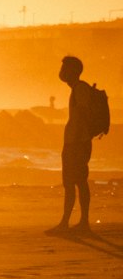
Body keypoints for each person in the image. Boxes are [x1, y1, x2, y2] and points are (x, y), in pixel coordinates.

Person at [53, 53, 109, 233]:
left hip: (77, 143)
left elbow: (82, 116)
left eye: (64, 69)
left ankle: (74, 223)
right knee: (74, 182)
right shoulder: (77, 88)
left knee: (75, 182)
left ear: (72, 71)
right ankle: (74, 222)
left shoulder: (80, 89)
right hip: (76, 142)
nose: (61, 72)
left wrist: (77, 139)